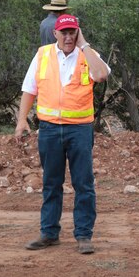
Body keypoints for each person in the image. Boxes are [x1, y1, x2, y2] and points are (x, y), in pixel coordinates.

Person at [15, 14, 110, 254]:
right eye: (64, 32)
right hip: (49, 129)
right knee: (51, 183)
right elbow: (29, 88)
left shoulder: (88, 55)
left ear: (78, 32)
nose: (68, 37)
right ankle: (49, 233)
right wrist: (21, 120)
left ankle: (84, 235)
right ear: (55, 34)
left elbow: (101, 76)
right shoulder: (43, 54)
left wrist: (84, 45)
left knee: (83, 184)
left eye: (72, 32)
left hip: (79, 129)